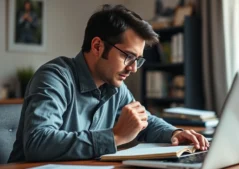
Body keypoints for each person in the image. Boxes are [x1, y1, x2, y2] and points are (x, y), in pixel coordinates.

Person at [8, 4, 209, 162]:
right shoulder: (54, 77)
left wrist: (176, 133)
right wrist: (115, 136)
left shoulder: (115, 87)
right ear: (97, 46)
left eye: (137, 60)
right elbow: (38, 143)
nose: (133, 68)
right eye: (128, 56)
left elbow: (145, 122)